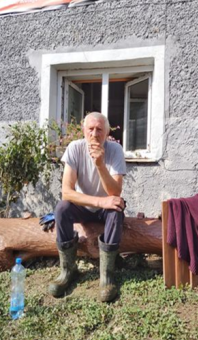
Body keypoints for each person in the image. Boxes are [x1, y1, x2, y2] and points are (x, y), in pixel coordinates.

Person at [48, 112, 126, 303]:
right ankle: (68, 270)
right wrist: (100, 201)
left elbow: (115, 191)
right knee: (62, 208)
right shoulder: (75, 148)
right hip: (84, 207)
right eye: (90, 129)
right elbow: (66, 192)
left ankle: (107, 276)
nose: (94, 133)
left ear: (107, 132)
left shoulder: (115, 150)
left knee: (115, 211)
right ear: (83, 131)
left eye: (99, 129)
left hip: (105, 211)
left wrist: (100, 164)